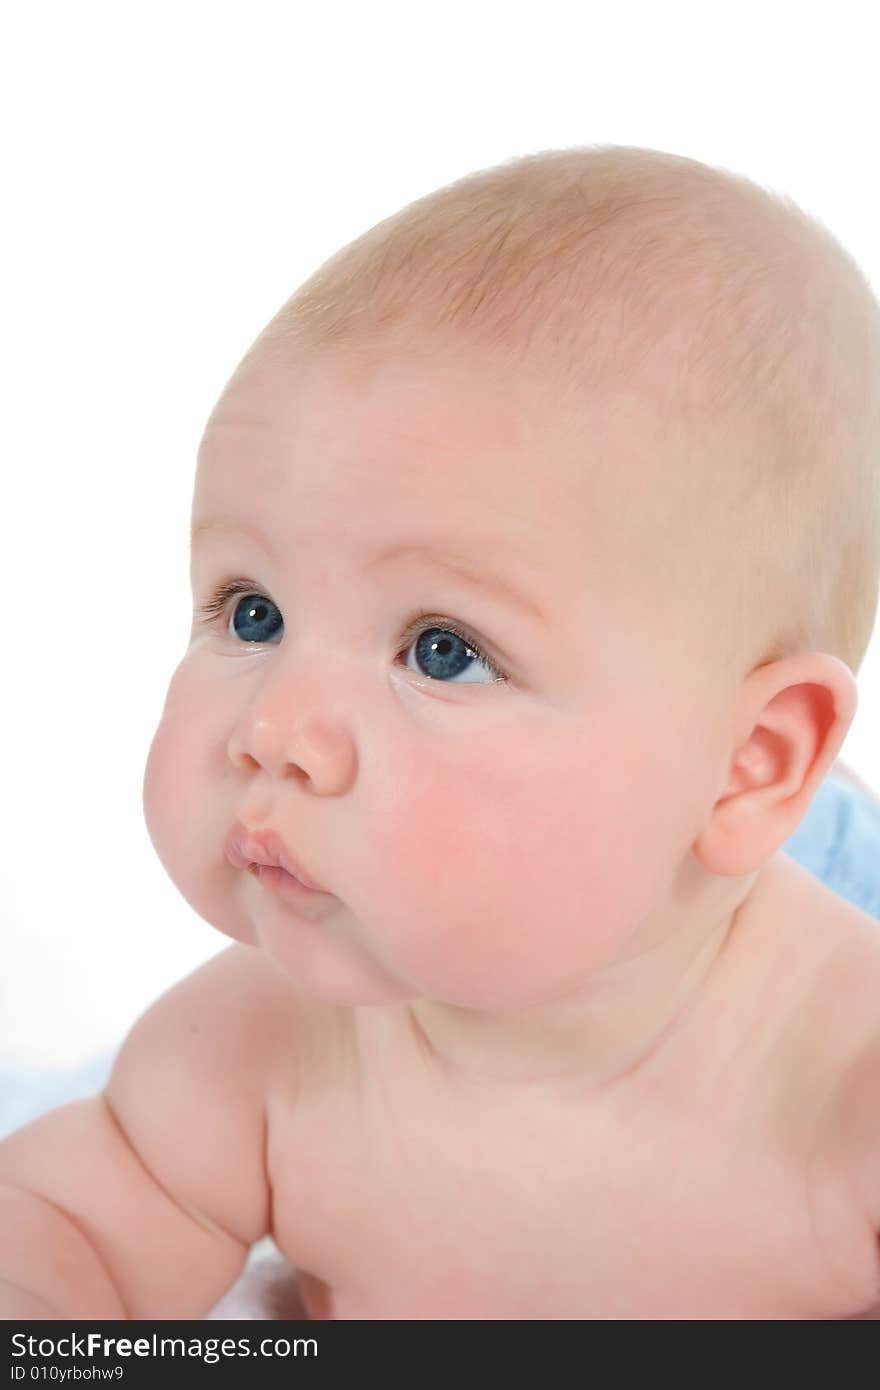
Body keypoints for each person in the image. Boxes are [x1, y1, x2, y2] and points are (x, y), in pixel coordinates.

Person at [2, 144, 880, 1320]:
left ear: (748, 763)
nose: (275, 731)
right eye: (249, 612)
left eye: (441, 649)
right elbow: (66, 1240)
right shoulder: (262, 1043)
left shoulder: (842, 1096)